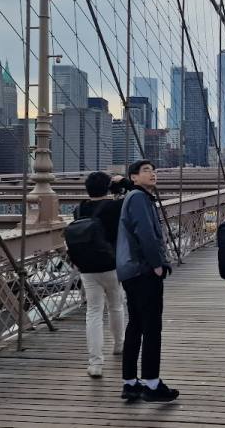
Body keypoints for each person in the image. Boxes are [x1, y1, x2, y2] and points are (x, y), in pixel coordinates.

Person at [116, 160, 179, 403]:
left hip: (131, 271)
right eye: (146, 170)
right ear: (133, 177)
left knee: (136, 326)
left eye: (154, 170)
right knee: (152, 328)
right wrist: (157, 265)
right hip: (143, 271)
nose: (153, 173)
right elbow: (146, 234)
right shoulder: (140, 199)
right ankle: (152, 384)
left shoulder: (134, 197)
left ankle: (130, 383)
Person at [72, 172, 128, 378]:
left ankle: (95, 363)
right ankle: (119, 344)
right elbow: (140, 196)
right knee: (116, 305)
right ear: (107, 187)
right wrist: (122, 184)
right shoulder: (116, 206)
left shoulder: (79, 208)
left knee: (93, 312)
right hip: (111, 264)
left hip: (87, 268)